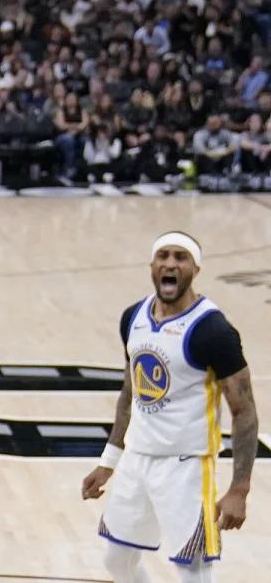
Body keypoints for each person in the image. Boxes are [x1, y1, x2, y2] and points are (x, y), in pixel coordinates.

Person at [82, 232, 258, 583]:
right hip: (137, 459)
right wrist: (109, 461)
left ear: (195, 268)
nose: (171, 264)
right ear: (152, 265)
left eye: (181, 257)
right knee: (116, 560)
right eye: (164, 255)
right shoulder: (133, 317)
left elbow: (245, 410)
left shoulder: (213, 330)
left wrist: (240, 488)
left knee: (192, 570)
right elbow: (129, 394)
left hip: (187, 466)